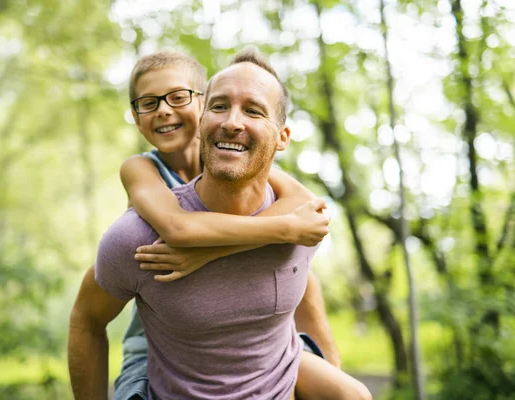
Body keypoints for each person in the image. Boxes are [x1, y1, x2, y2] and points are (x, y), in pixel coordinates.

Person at [69, 49, 371, 400]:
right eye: (148, 103)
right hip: (153, 335)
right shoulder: (143, 175)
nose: (164, 110)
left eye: (177, 97)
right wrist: (284, 228)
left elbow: (308, 212)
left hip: (260, 347)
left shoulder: (242, 156)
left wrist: (209, 253)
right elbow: (177, 229)